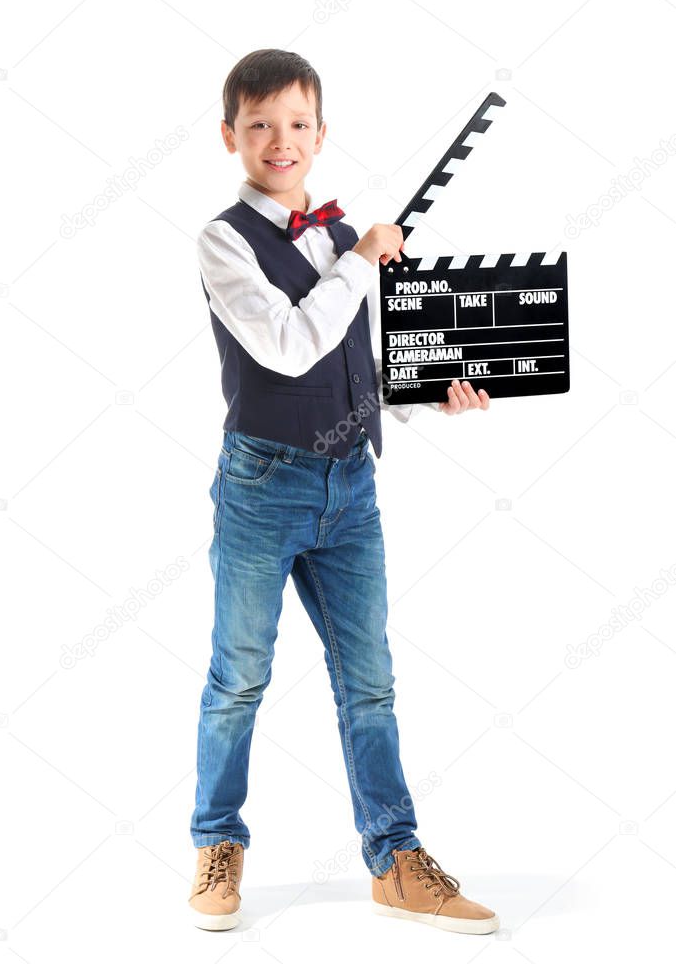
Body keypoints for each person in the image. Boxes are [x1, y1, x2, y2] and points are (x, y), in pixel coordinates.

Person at [187, 48, 498, 936]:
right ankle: (217, 843)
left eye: (295, 124)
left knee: (370, 683)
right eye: (259, 125)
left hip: (351, 487)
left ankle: (394, 859)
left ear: (321, 134)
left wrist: (428, 395)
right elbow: (288, 347)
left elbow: (350, 365)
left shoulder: (336, 232)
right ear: (229, 136)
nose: (279, 140)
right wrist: (363, 259)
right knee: (239, 677)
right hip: (261, 486)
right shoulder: (224, 239)